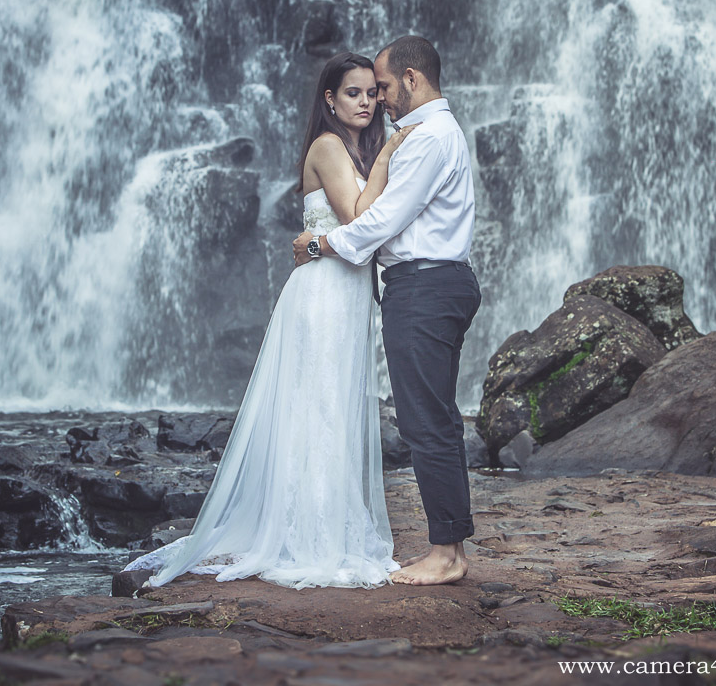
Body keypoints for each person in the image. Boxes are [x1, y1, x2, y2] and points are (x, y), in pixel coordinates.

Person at [123, 52, 415, 589]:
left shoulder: (357, 149)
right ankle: (308, 533)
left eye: (373, 93)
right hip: (322, 296)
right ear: (330, 99)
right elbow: (357, 217)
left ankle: (326, 525)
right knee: (318, 406)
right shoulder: (328, 146)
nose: (367, 102)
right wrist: (390, 154)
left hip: (348, 295)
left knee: (334, 407)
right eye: (353, 93)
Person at [293, 36, 479, 586]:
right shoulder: (427, 134)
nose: (379, 100)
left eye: (384, 87)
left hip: (423, 288)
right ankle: (450, 546)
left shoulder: (426, 137)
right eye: (366, 92)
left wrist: (319, 244)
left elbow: (379, 220)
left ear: (413, 80)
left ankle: (446, 553)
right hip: (431, 285)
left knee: (425, 423)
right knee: (436, 418)